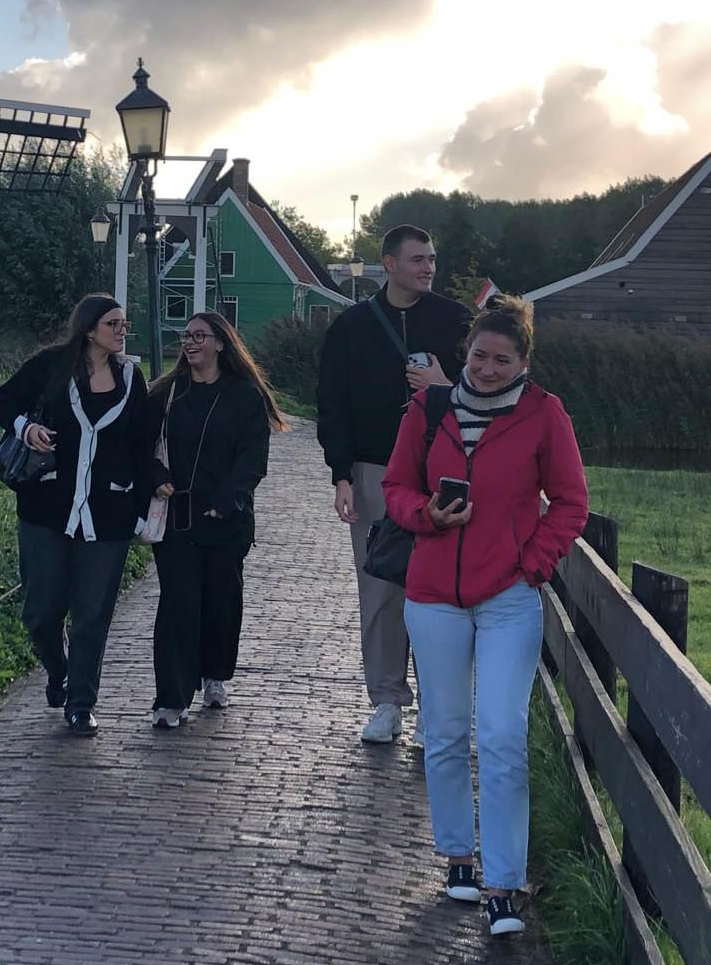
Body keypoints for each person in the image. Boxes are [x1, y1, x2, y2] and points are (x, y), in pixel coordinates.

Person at [382, 297, 587, 936]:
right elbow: (395, 488)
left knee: (501, 734)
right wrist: (426, 516)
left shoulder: (544, 414)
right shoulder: (429, 409)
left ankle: (504, 882)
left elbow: (572, 503)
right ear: (463, 353)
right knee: (444, 731)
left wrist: (531, 564)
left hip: (507, 599)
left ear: (524, 361)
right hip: (434, 596)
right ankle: (458, 858)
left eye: (503, 359)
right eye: (479, 355)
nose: (489, 369)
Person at [316, 225, 471, 744]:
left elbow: (491, 391)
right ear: (389, 263)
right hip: (374, 471)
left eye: (432, 258)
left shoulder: (457, 323)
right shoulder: (351, 328)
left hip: (442, 475)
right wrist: (340, 474)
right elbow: (332, 405)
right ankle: (385, 701)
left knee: (438, 592)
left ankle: (435, 706)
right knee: (381, 588)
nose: (428, 267)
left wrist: (444, 387)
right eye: (417, 259)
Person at [0, 294, 159, 737]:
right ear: (88, 329)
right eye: (113, 324)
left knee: (93, 611)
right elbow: (1, 401)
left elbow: (142, 446)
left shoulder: (129, 377)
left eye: (124, 324)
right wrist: (27, 428)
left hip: (109, 513)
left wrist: (140, 509)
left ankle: (81, 702)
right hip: (46, 509)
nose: (122, 331)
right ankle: (57, 667)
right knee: (41, 610)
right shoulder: (50, 366)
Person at [147, 311, 286, 729]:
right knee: (178, 604)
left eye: (200, 336)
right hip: (177, 518)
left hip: (227, 519)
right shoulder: (167, 394)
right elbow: (141, 446)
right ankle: (172, 698)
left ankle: (215, 675)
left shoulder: (245, 397)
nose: (190, 343)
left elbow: (252, 457)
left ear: (221, 344)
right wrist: (156, 476)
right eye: (186, 336)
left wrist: (228, 498)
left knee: (220, 602)